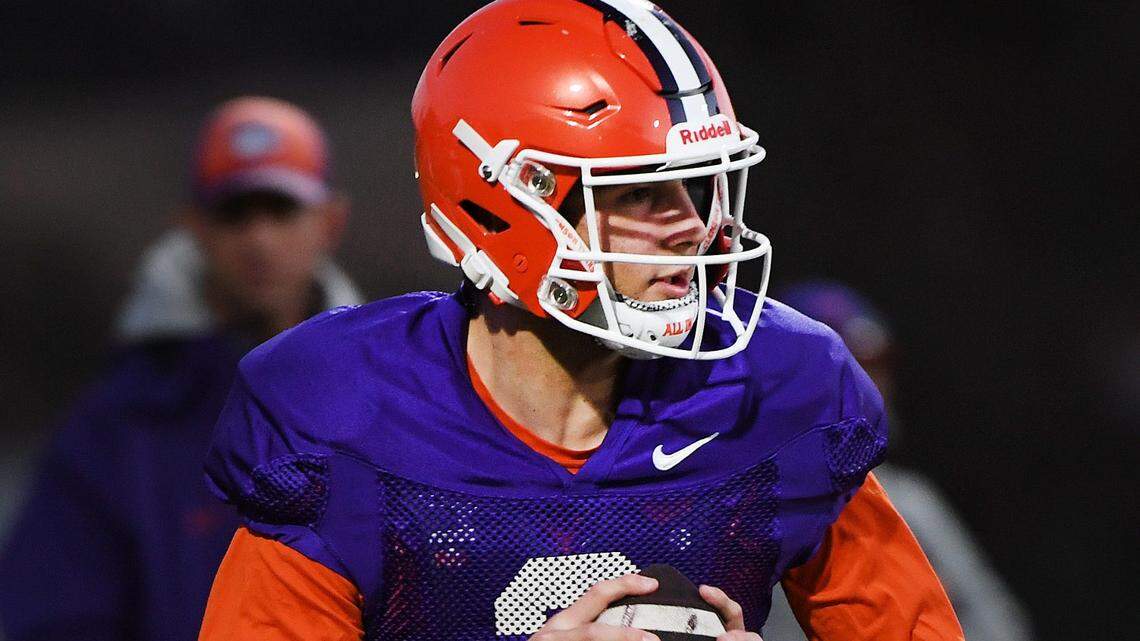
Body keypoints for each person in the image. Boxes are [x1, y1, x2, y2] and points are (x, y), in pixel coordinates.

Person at [199, 2, 963, 640]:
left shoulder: (772, 392)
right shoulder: (346, 420)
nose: (692, 226)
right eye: (636, 195)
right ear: (497, 207)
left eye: (695, 187)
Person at [0, 96, 362, 641]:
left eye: (281, 211)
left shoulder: (386, 401)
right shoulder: (119, 426)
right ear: (194, 227)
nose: (258, 239)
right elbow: (48, 614)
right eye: (234, 214)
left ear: (331, 222)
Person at [763, 280, 1033, 641]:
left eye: (876, 366)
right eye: (852, 366)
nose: (871, 384)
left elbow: (997, 623)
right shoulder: (735, 497)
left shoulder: (909, 500)